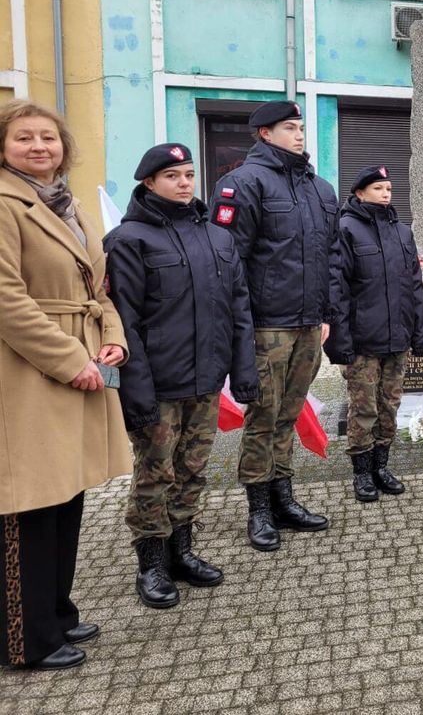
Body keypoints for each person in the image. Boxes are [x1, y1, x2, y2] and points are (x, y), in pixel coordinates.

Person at [0, 100, 131, 670]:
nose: (38, 147)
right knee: (29, 502)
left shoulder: (67, 204)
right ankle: (23, 640)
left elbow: (98, 289)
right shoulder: (5, 203)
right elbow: (6, 299)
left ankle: (56, 611)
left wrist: (114, 340)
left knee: (67, 496)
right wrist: (68, 359)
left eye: (48, 137)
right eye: (24, 137)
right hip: (29, 372)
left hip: (81, 358)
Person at [104, 144, 259, 608]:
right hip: (159, 383)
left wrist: (243, 370)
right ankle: (151, 563)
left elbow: (238, 310)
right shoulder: (128, 239)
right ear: (149, 183)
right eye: (172, 176)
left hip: (206, 380)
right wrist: (135, 391)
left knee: (192, 469)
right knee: (155, 473)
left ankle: (182, 551)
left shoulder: (218, 237)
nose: (185, 183)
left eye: (190, 174)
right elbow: (124, 319)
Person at [209, 100, 339, 552]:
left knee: (290, 413)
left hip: (307, 325)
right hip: (266, 325)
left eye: (301, 127)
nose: (300, 134)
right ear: (264, 134)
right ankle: (259, 510)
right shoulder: (243, 184)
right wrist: (239, 328)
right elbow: (227, 262)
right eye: (289, 128)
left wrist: (326, 313)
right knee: (263, 418)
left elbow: (331, 258)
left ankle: (283, 498)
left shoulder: (319, 189)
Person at [325, 165, 423, 502]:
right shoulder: (345, 229)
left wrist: (419, 330)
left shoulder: (403, 232)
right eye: (379, 188)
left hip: (397, 338)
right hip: (363, 341)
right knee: (363, 408)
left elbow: (414, 286)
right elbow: (337, 290)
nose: (386, 194)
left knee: (390, 406)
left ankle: (382, 466)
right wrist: (340, 343)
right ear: (359, 193)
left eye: (389, 188)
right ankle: (361, 473)